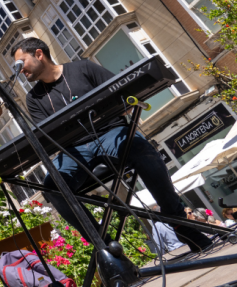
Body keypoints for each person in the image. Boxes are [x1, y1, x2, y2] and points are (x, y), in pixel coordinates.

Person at [11, 37, 213, 253]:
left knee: (141, 149)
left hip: (111, 132)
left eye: (21, 63)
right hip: (73, 150)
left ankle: (180, 223)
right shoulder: (34, 98)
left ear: (39, 54)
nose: (20, 70)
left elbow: (125, 94)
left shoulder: (84, 68)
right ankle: (105, 247)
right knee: (52, 188)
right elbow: (48, 136)